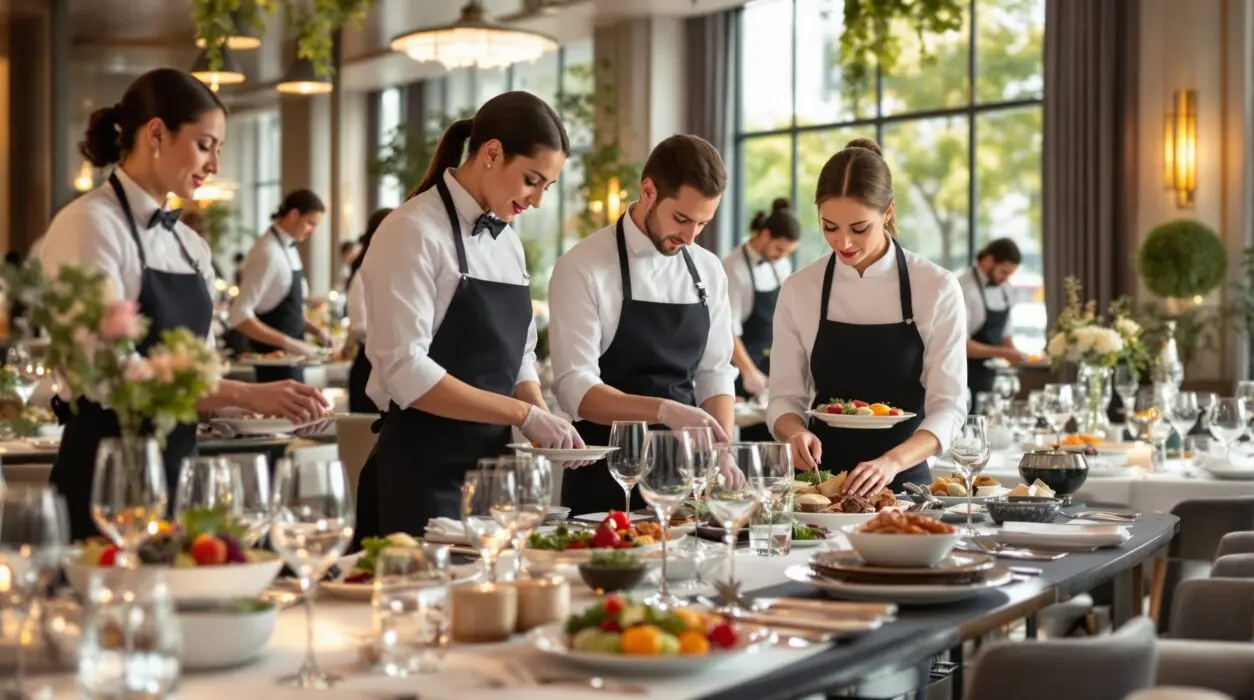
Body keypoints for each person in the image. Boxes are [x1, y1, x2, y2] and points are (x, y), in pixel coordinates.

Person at [40, 68, 328, 540]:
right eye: (204, 144)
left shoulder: (191, 247)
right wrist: (245, 393)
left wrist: (239, 410)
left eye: (219, 149)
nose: (214, 165)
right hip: (106, 478)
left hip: (179, 476)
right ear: (156, 133)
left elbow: (193, 370)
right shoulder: (88, 225)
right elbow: (110, 375)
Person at [354, 91, 583, 542]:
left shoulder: (508, 241)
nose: (537, 200)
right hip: (422, 473)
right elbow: (406, 370)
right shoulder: (411, 230)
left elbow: (518, 355)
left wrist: (541, 416)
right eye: (532, 180)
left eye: (547, 187)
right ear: (492, 153)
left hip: (496, 480)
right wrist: (522, 414)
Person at [548, 134, 744, 516]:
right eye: (682, 219)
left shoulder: (707, 270)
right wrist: (666, 411)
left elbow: (714, 373)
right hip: (605, 486)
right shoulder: (582, 266)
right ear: (648, 191)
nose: (689, 237)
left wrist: (722, 452)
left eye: (702, 224)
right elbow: (576, 390)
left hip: (684, 483)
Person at [767, 138, 968, 497]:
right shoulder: (800, 289)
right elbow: (784, 397)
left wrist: (890, 462)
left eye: (859, 228)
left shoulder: (936, 288)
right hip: (818, 489)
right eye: (829, 227)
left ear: (888, 212)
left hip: (904, 489)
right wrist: (794, 431)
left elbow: (949, 408)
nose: (843, 242)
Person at [227, 189, 330, 383]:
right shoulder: (267, 253)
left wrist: (315, 330)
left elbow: (282, 309)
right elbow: (239, 315)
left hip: (292, 363)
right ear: (293, 214)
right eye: (310, 223)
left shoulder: (288, 246)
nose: (312, 232)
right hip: (274, 369)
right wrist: (291, 344)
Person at [723, 197, 799, 441]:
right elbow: (727, 329)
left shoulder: (781, 264)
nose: (781, 256)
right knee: (756, 445)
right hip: (745, 368)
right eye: (779, 249)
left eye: (787, 252)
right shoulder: (733, 268)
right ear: (764, 235)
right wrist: (749, 372)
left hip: (772, 367)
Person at [959, 237, 1024, 398]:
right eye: (1003, 272)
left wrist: (1022, 358)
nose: (1005, 279)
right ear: (988, 261)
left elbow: (1005, 336)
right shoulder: (963, 288)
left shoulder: (1006, 290)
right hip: (965, 376)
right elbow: (961, 345)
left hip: (993, 377)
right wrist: (1004, 353)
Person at [345, 207, 392, 414]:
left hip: (390, 367)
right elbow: (359, 327)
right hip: (369, 365)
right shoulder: (363, 274)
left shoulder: (398, 270)